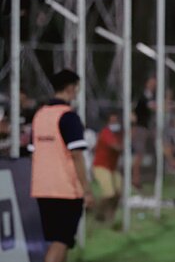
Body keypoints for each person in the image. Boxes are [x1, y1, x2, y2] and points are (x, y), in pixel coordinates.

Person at [29, 69, 94, 262]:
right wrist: (87, 190)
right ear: (70, 88)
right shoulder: (68, 117)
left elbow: (35, 151)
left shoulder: (39, 115)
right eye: (77, 88)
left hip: (42, 188)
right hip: (65, 189)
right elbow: (76, 155)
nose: (77, 93)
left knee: (58, 240)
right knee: (61, 241)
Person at [92, 111, 123, 223]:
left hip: (112, 167)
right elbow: (115, 146)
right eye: (112, 121)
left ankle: (111, 215)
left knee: (119, 193)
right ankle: (98, 213)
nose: (115, 123)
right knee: (109, 193)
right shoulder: (106, 132)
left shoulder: (119, 134)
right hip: (101, 166)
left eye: (116, 120)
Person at [133, 76, 156, 190]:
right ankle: (135, 180)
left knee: (142, 155)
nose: (153, 85)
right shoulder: (144, 97)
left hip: (146, 128)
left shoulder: (151, 96)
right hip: (141, 128)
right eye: (151, 83)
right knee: (139, 155)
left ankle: (138, 179)